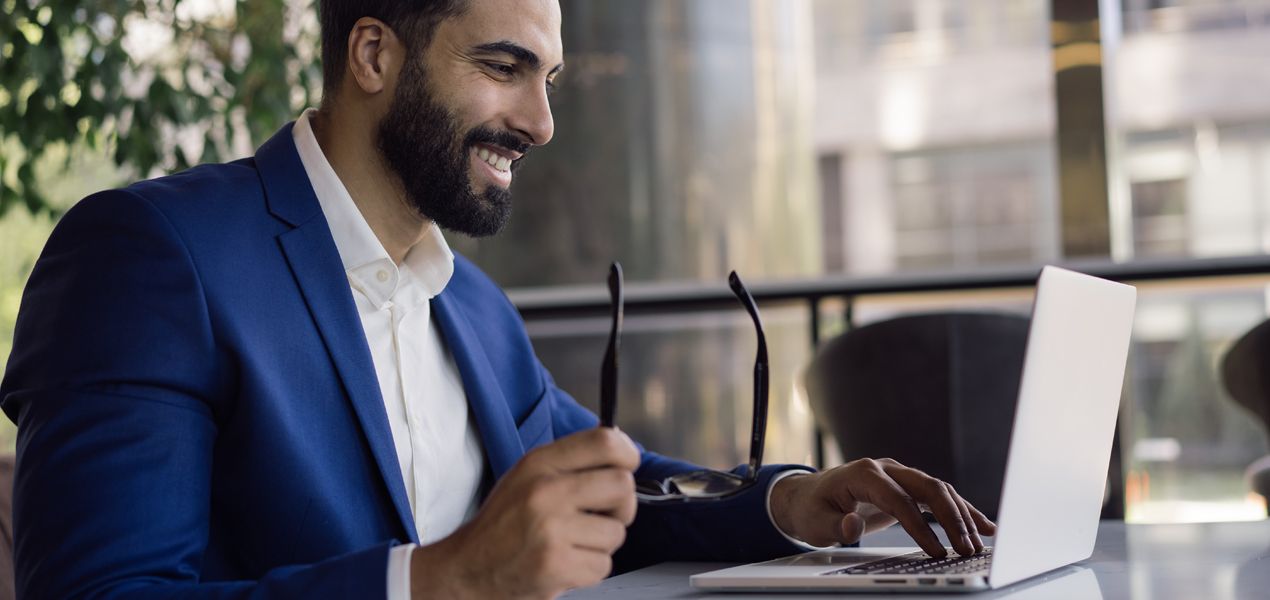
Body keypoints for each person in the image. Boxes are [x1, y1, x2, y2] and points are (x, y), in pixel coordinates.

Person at [0, 1, 995, 599]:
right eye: (503, 68)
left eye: (550, 77)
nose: (542, 120)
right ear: (374, 56)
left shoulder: (469, 307)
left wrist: (793, 500)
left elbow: (621, 488)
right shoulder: (150, 254)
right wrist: (443, 581)